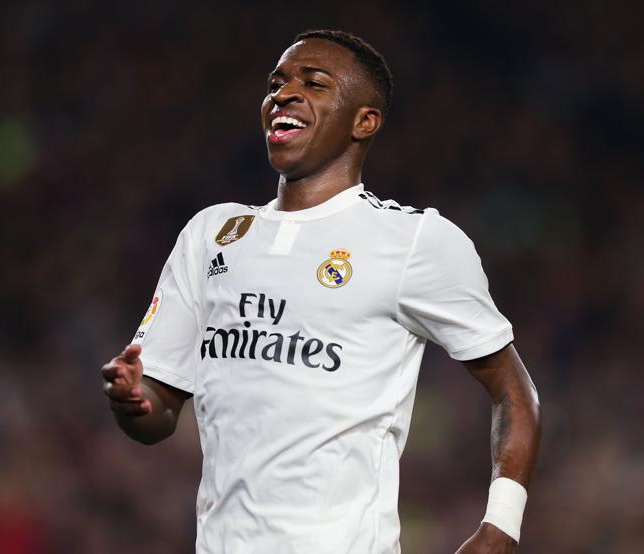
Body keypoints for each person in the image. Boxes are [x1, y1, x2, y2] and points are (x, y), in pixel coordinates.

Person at [101, 29, 541, 554]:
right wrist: (133, 401)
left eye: (314, 83)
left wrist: (501, 527)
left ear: (364, 121)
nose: (283, 94)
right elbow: (161, 410)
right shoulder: (210, 235)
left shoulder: (414, 241)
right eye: (276, 83)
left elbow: (516, 395)